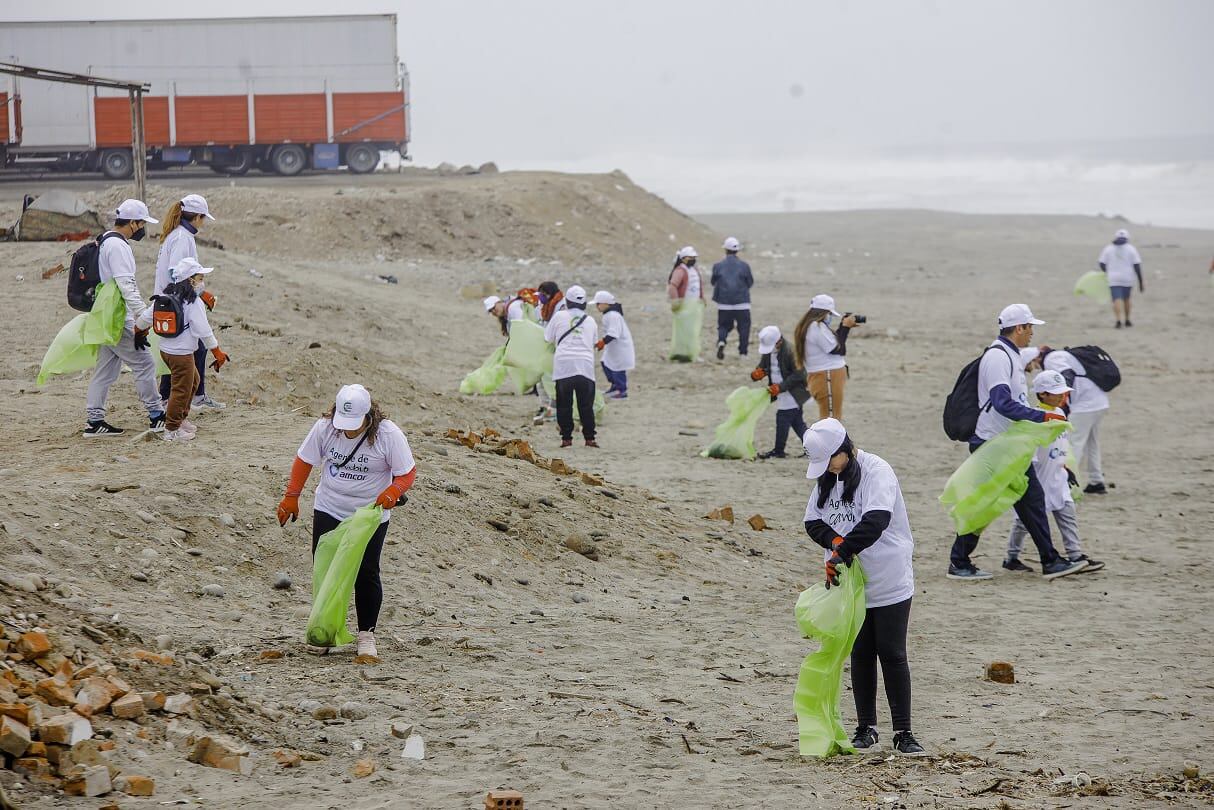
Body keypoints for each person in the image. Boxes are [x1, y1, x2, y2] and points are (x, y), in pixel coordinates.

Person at [801, 418, 926, 757]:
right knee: (860, 652)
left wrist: (842, 551)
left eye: (828, 461)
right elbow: (812, 521)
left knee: (892, 652)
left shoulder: (877, 471)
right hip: (849, 584)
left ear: (844, 449)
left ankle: (904, 731)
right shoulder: (829, 479)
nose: (826, 469)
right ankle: (865, 727)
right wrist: (835, 541)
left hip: (888, 577)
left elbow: (876, 521)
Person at [276, 384, 416, 661]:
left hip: (368, 514)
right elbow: (304, 461)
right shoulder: (325, 428)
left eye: (354, 425)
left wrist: (393, 492)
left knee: (365, 572)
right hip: (329, 506)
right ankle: (325, 630)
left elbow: (406, 473)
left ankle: (366, 634)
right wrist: (291, 497)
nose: (347, 430)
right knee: (325, 569)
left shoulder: (388, 435)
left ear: (368, 416)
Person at [948, 304, 1086, 581]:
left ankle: (1050, 560)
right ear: (1019, 328)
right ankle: (959, 562)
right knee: (987, 505)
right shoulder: (999, 358)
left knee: (1029, 500)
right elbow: (1002, 403)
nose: (1032, 333)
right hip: (995, 445)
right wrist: (1041, 416)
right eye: (1030, 327)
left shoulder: (1010, 354)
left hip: (1006, 445)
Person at [1003, 371, 1105, 574]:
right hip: (1040, 478)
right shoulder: (1032, 419)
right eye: (1056, 393)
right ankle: (1011, 557)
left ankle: (1075, 555)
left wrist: (1066, 467)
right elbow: (1028, 451)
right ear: (1042, 395)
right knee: (1024, 521)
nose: (1062, 397)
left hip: (1058, 476)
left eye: (1064, 392)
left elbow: (1061, 443)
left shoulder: (1060, 413)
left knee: (1067, 513)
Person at [83, 199, 166, 438]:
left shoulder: (106, 239)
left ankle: (95, 421)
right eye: (141, 224)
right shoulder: (118, 247)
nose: (142, 229)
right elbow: (126, 284)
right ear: (132, 223)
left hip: (104, 314)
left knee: (106, 369)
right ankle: (156, 415)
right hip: (118, 316)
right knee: (144, 363)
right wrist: (142, 315)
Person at [155, 194, 222, 411]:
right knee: (196, 347)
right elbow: (179, 274)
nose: (203, 223)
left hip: (171, 300)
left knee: (179, 349)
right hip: (176, 302)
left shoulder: (179, 235)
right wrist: (201, 294)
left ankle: (171, 396)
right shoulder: (182, 238)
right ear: (197, 217)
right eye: (203, 218)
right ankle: (194, 396)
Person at [156, 258, 230, 442]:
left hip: (166, 350)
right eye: (200, 278)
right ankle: (172, 430)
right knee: (181, 389)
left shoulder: (167, 295)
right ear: (190, 280)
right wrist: (217, 352)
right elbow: (203, 330)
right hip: (181, 353)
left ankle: (181, 418)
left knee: (193, 380)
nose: (202, 282)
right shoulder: (193, 302)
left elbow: (149, 315)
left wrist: (139, 330)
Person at [1031, 345, 1111, 494]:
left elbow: (1067, 375)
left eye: (1033, 363)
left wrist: (1061, 405)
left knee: (1074, 443)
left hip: (1084, 405)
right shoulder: (1063, 355)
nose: (1034, 367)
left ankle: (1067, 484)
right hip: (1100, 401)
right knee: (1092, 442)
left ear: (1037, 357)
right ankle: (1096, 480)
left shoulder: (1051, 359)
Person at [544, 285, 598, 448]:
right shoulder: (590, 320)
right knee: (586, 405)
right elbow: (594, 342)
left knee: (564, 404)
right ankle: (590, 439)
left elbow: (548, 338)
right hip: (585, 366)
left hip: (564, 365)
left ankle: (566, 438)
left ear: (567, 301)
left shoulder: (559, 316)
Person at [793, 294, 857, 420]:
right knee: (831, 419)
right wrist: (845, 327)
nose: (830, 317)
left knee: (830, 417)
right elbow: (838, 349)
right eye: (829, 314)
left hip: (824, 375)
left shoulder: (810, 326)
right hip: (827, 377)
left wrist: (844, 328)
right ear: (823, 313)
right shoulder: (816, 327)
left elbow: (835, 344)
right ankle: (829, 440)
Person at [751, 325, 808, 458]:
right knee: (797, 422)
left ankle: (778, 451)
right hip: (781, 393)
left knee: (783, 418)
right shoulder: (769, 351)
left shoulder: (791, 351)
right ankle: (812, 448)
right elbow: (764, 366)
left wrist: (780, 387)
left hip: (793, 393)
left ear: (779, 341)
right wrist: (758, 373)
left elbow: (799, 375)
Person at [711, 236, 754, 359]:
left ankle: (722, 340)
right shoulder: (744, 266)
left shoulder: (718, 266)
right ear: (737, 250)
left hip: (724, 303)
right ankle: (743, 353)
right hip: (742, 303)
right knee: (744, 327)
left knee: (723, 325)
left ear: (725, 250)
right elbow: (750, 282)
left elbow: (713, 282)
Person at [593, 290, 634, 399]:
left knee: (617, 368)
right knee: (606, 363)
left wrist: (603, 342)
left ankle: (621, 390)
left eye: (598, 304)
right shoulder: (608, 314)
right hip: (613, 348)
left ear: (606, 303)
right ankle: (615, 386)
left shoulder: (613, 315)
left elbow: (613, 333)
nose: (597, 306)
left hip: (620, 348)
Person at [1098, 228, 1143, 328]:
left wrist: (1107, 272)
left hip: (1113, 278)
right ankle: (1127, 320)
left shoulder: (1108, 248)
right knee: (1127, 299)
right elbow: (1137, 266)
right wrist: (1141, 281)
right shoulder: (1131, 249)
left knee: (1116, 299)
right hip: (1127, 278)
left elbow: (1101, 263)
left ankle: (1118, 320)